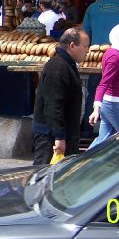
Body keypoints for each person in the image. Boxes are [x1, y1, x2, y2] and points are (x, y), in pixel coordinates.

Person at [80, 0, 119, 137]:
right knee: (115, 91)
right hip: (118, 58)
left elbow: (86, 33)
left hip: (95, 59)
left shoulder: (93, 7)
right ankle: (116, 129)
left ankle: (87, 129)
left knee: (94, 91)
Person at [32, 29, 90, 165]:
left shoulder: (67, 64)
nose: (87, 51)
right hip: (50, 135)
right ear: (72, 46)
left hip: (64, 132)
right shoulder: (57, 66)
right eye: (85, 46)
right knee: (43, 174)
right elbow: (53, 104)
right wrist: (59, 136)